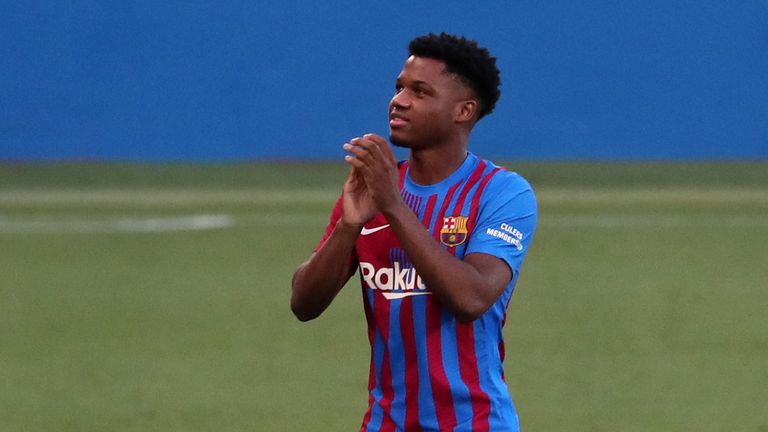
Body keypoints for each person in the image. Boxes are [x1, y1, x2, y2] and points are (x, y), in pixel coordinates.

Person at [291, 32, 537, 432]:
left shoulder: (503, 193)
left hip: (474, 424)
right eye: (399, 88)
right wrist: (349, 225)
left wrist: (392, 206)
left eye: (420, 92)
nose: (399, 100)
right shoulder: (372, 188)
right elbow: (304, 304)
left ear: (463, 111)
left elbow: (470, 298)